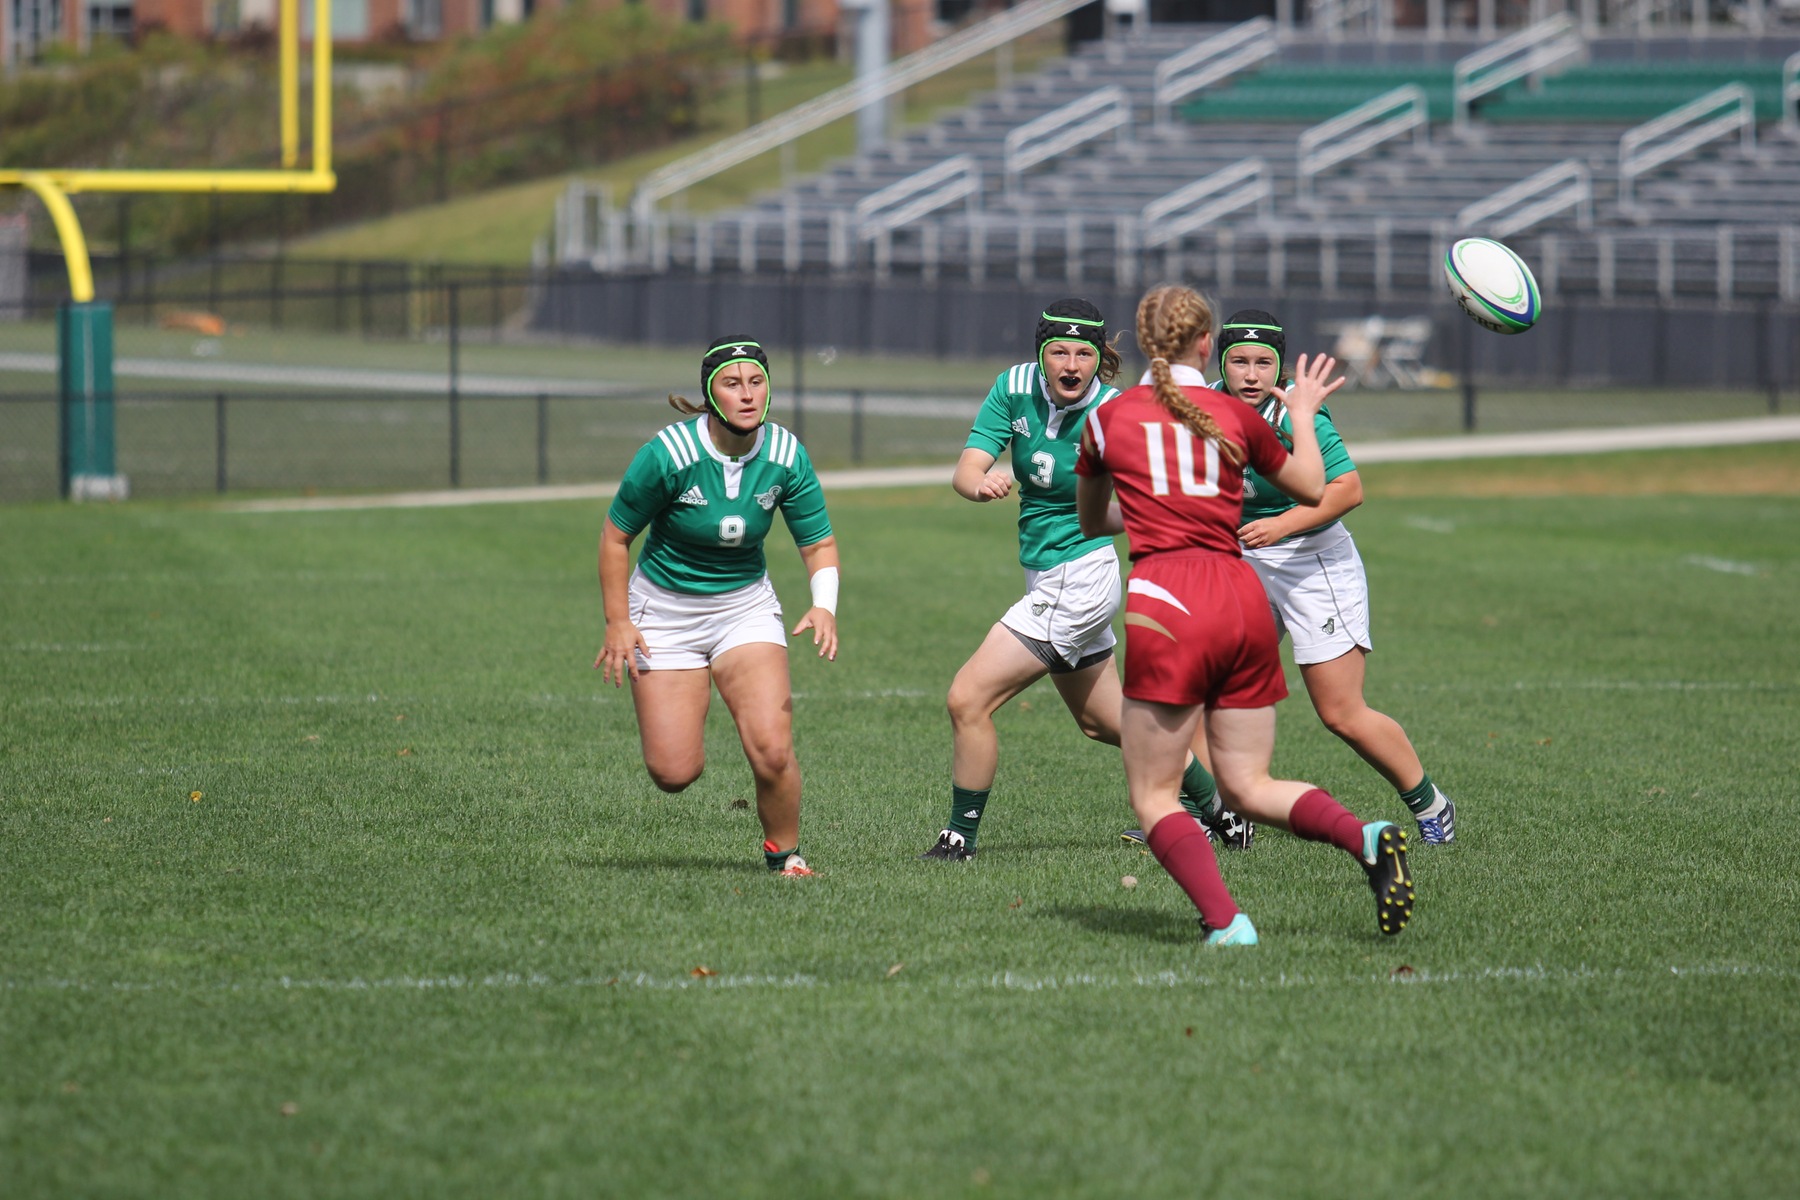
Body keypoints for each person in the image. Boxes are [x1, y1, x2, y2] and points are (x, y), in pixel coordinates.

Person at [1074, 284, 1415, 945]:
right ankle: (1366, 837)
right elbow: (1314, 488)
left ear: (1145, 343)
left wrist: (1146, 508)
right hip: (1241, 597)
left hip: (1169, 598)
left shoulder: (1109, 419)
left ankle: (1227, 923)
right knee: (1248, 786)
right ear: (1209, 345)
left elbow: (1094, 521)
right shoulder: (1235, 416)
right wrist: (1308, 413)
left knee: (1154, 796)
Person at [920, 299, 1246, 862]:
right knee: (1104, 722)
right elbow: (966, 468)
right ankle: (1221, 812)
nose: (1071, 364)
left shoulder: (1119, 414)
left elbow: (1160, 491)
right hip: (1046, 576)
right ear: (1041, 355)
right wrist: (981, 483)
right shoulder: (1014, 386)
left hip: (1081, 579)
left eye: (1084, 354)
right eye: (1059, 352)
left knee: (966, 699)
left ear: (1101, 359)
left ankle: (958, 841)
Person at [595, 336, 839, 877]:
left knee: (773, 750)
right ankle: (685, 693)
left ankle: (785, 855)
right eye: (732, 384)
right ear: (710, 393)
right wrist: (618, 622)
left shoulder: (784, 454)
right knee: (673, 772)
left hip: (743, 607)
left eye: (757, 382)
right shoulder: (668, 454)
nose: (747, 395)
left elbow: (818, 542)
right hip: (663, 611)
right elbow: (615, 539)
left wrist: (824, 605)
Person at [1217, 309, 1455, 844]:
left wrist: (1279, 525)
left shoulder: (1293, 415)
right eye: (1239, 362)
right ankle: (1226, 815)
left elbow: (1348, 490)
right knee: (1213, 687)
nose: (1251, 375)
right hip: (1245, 561)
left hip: (1312, 562)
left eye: (1263, 363)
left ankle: (1430, 803)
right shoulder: (1206, 406)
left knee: (1341, 712)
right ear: (1222, 363)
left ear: (1278, 368)